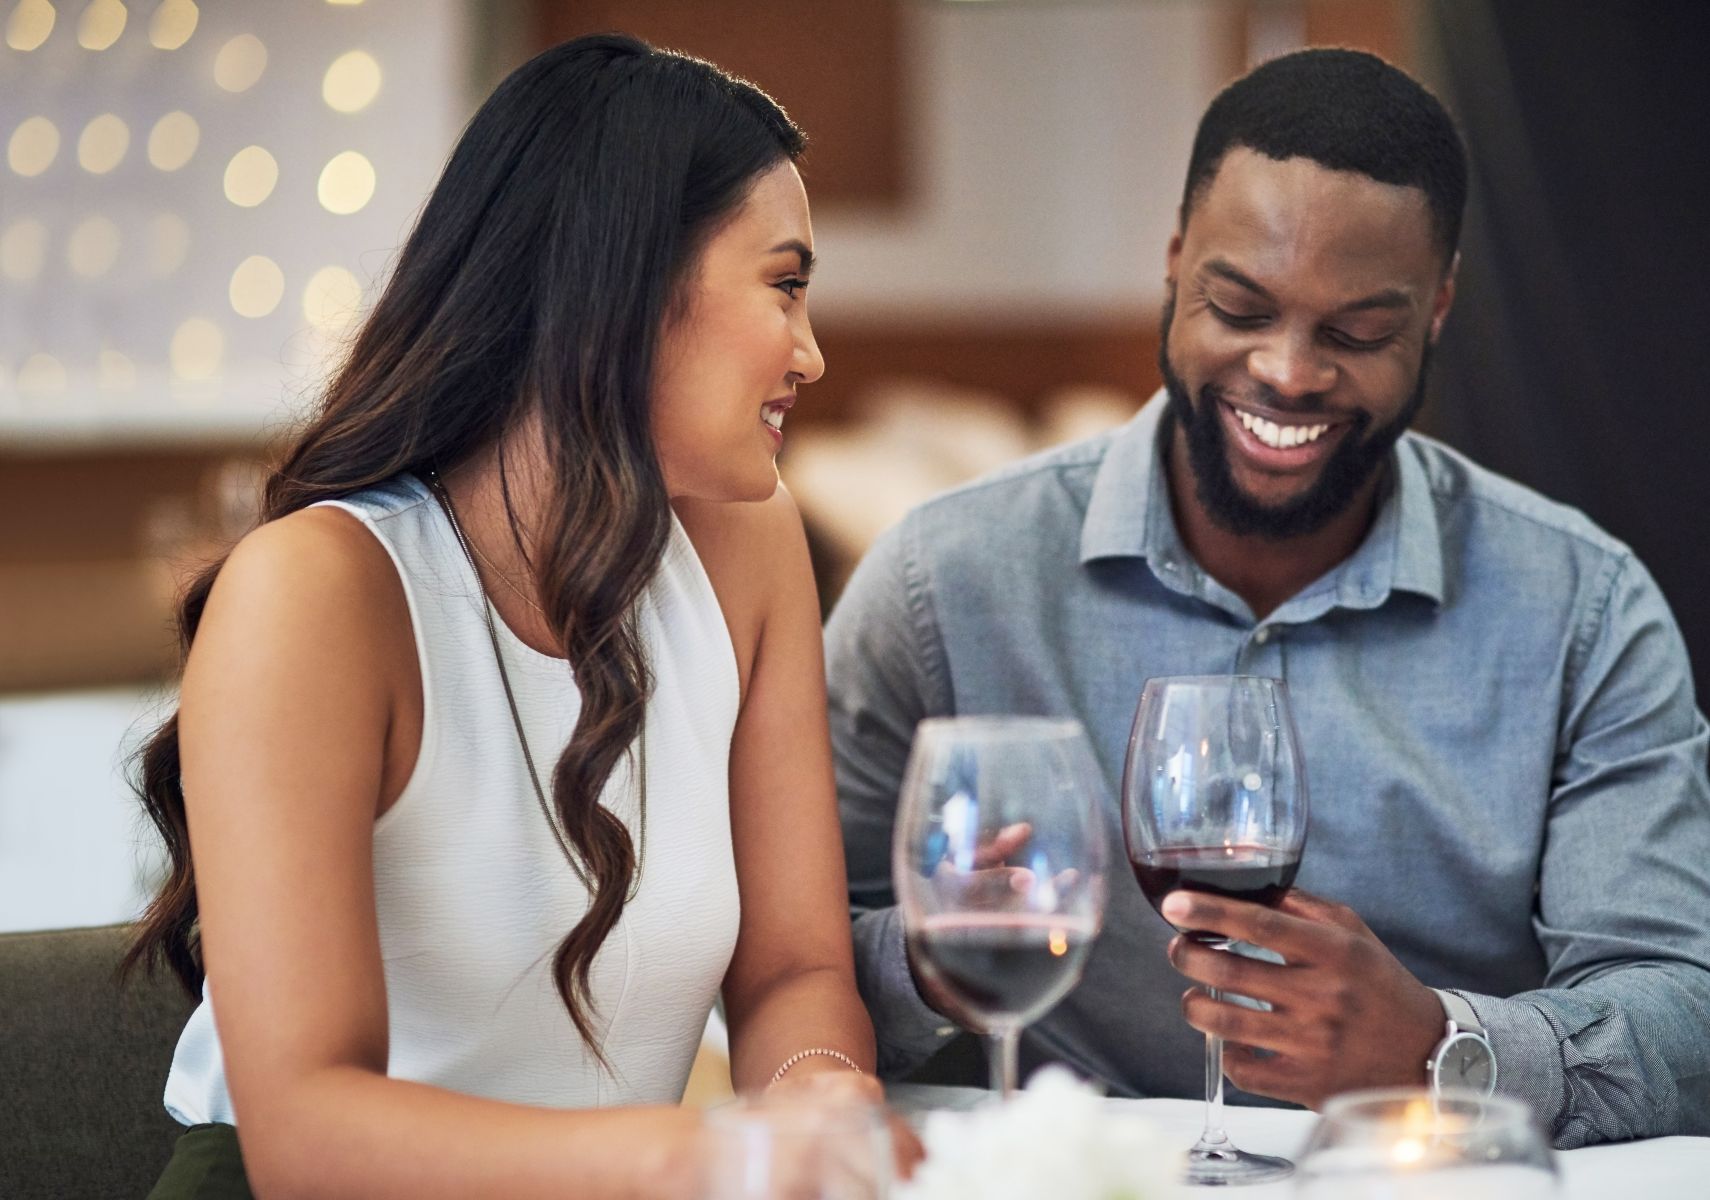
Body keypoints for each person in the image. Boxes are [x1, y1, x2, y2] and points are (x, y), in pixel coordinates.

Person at [827, 48, 1710, 1149]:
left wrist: (1441, 1047)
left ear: (1435, 312)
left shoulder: (1584, 611)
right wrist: (933, 957)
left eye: (1355, 333)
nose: (1288, 373)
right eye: (1239, 307)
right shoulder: (939, 583)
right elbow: (786, 969)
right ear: (1173, 266)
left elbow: (1686, 1016)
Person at [124, 34, 893, 1198]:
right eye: (784, 286)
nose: (812, 352)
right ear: (623, 287)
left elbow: (792, 968)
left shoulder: (748, 542)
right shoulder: (320, 593)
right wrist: (712, 1153)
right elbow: (305, 1138)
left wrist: (821, 1097)